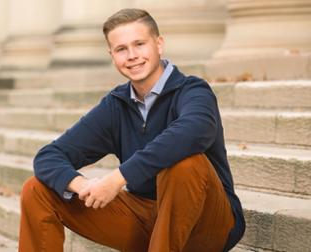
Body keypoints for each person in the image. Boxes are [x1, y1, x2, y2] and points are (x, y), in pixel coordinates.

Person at [18, 8, 245, 252]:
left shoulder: (192, 91)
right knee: (36, 189)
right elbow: (49, 156)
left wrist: (118, 178)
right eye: (121, 49)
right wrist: (81, 185)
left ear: (159, 44)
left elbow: (194, 131)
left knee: (185, 163)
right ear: (112, 55)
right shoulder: (116, 105)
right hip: (145, 220)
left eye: (139, 44)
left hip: (207, 222)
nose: (132, 56)